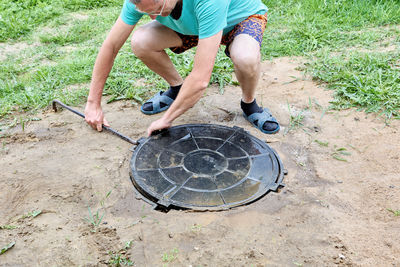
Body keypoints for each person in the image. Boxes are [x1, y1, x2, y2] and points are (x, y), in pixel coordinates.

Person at [84, 0, 280, 136]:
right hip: (196, 23)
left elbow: (201, 79)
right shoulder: (139, 2)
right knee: (141, 41)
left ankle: (249, 104)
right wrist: (93, 102)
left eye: (158, 9)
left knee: (245, 57)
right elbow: (111, 46)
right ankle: (177, 89)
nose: (153, 16)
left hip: (240, 19)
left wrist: (167, 119)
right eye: (147, 12)